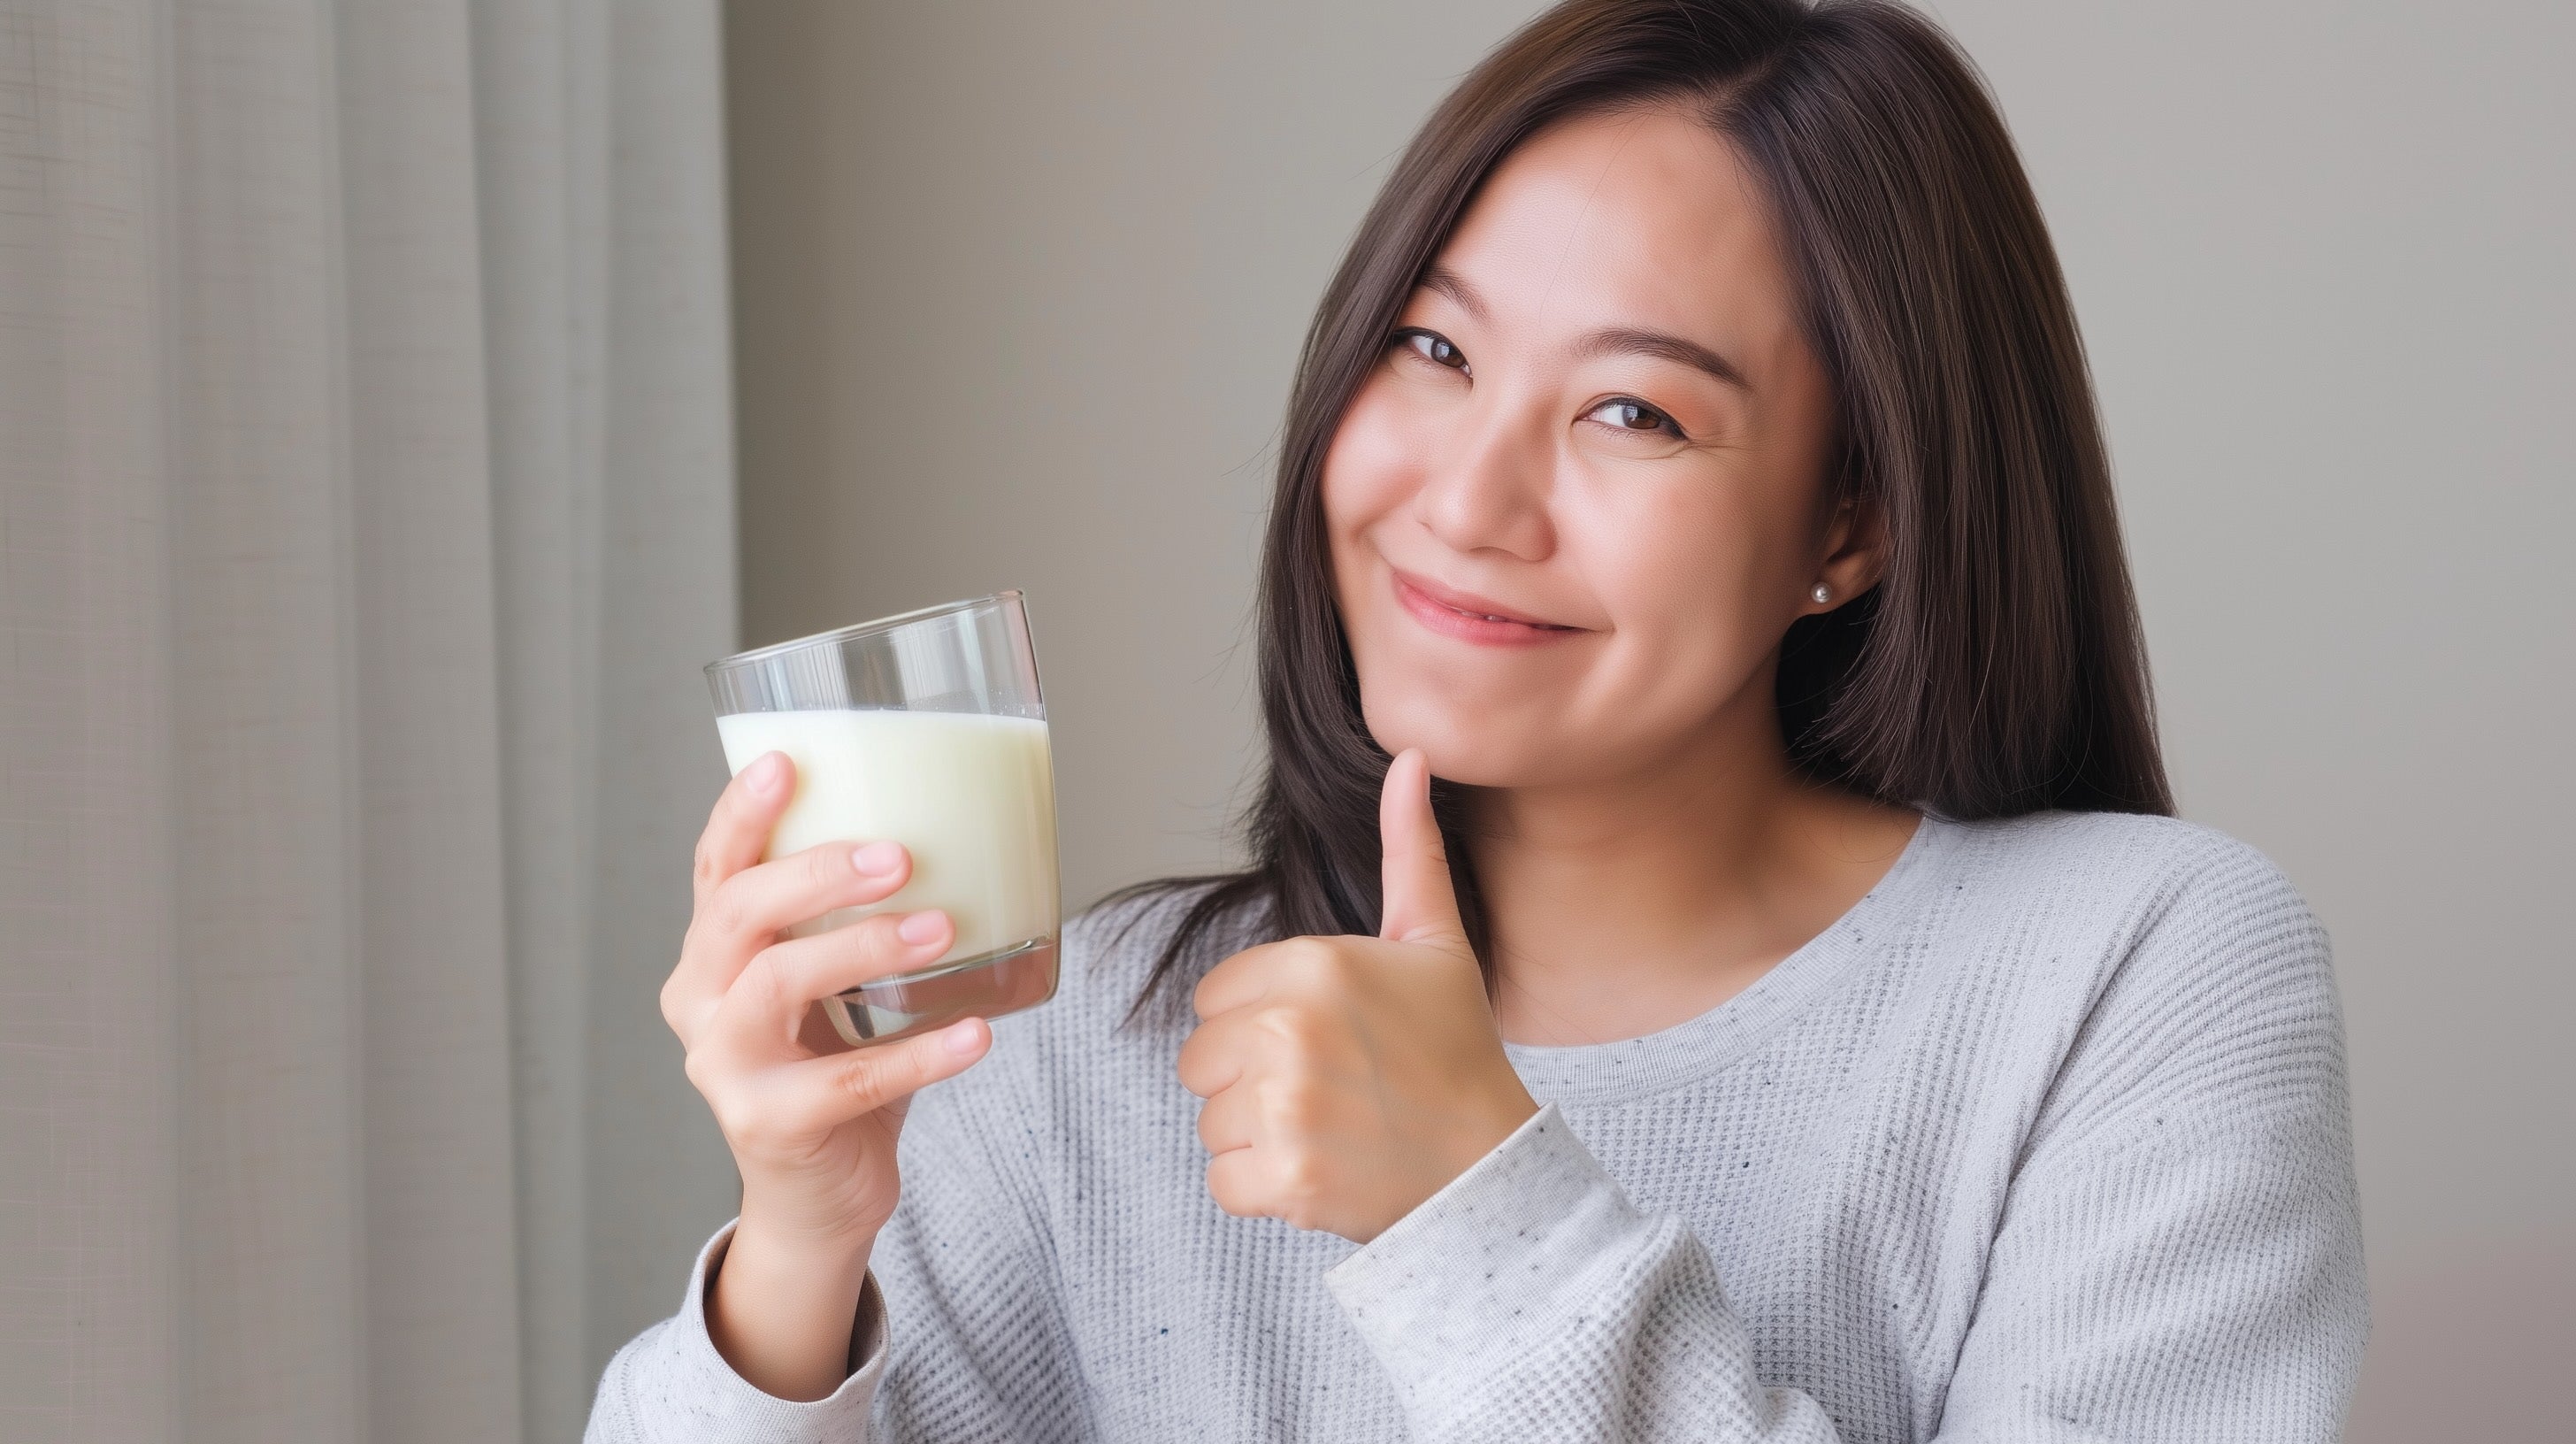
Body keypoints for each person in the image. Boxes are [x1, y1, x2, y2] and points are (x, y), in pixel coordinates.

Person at [587, 0, 2366, 1438]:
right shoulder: (1086, 1040)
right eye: (1433, 353)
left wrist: (1475, 1205)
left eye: (1634, 416)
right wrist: (802, 1254)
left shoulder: (2134, 973)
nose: (1468, 502)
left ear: (1851, 523)